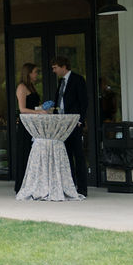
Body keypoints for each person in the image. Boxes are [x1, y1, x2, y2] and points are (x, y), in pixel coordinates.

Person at [51, 56, 89, 197]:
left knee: (78, 155)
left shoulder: (77, 79)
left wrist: (80, 120)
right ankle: (70, 186)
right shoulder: (61, 82)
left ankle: (82, 188)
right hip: (62, 123)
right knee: (66, 156)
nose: (54, 71)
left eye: (55, 68)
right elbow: (60, 101)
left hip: (74, 122)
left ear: (63, 66)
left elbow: (84, 101)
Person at [12, 63, 49, 194]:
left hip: (34, 125)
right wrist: (38, 112)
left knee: (34, 154)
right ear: (28, 73)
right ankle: (22, 186)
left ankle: (34, 184)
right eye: (35, 72)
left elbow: (34, 106)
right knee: (25, 153)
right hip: (26, 126)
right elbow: (22, 109)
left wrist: (43, 108)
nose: (37, 74)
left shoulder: (32, 87)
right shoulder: (21, 87)